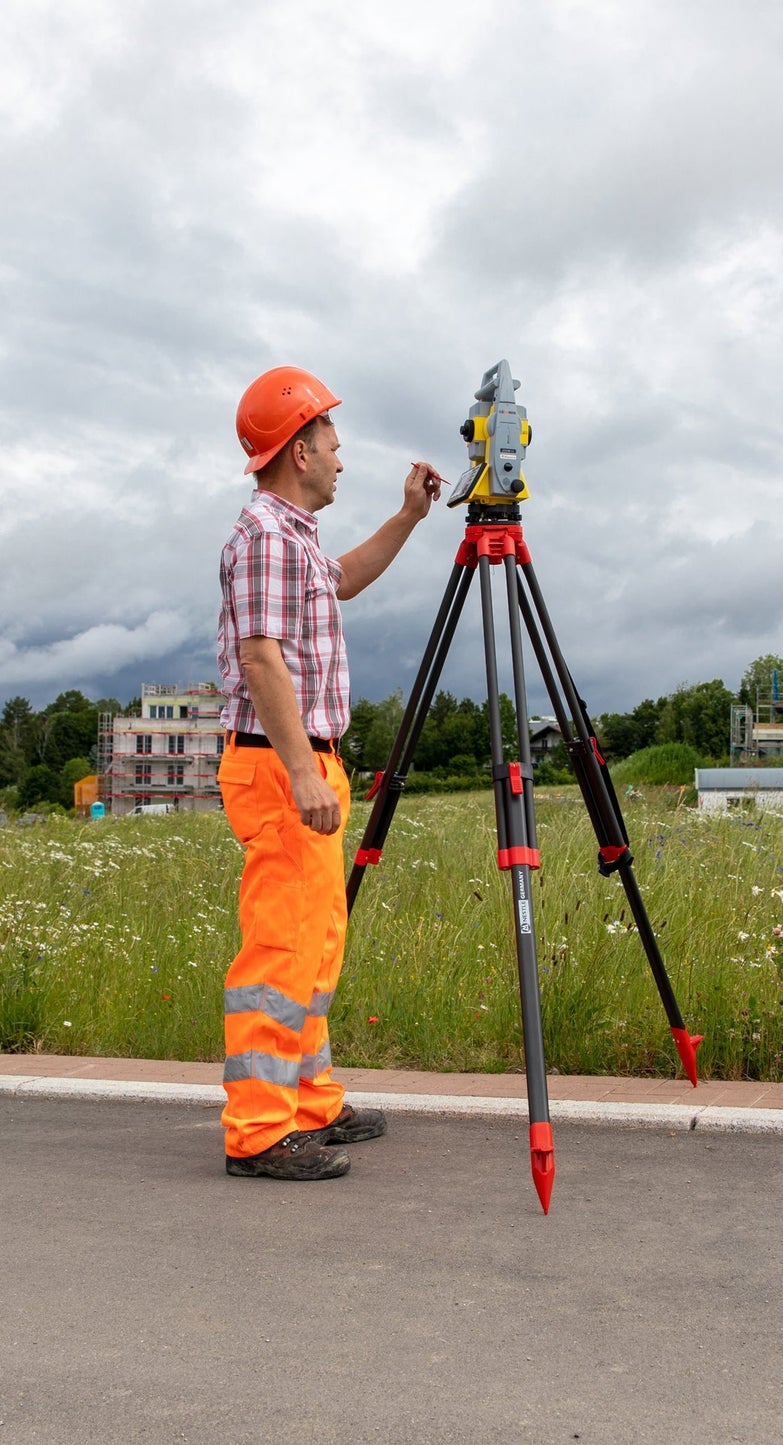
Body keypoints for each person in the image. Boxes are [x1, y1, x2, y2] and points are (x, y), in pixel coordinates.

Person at [216, 366, 443, 1181]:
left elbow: (340, 581)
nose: (342, 460)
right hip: (283, 766)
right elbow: (259, 656)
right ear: (299, 450)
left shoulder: (297, 540)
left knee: (315, 945)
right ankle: (259, 1130)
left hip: (307, 762)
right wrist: (300, 769)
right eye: (333, 445)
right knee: (280, 952)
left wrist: (408, 518)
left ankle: (307, 1104)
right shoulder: (264, 538)